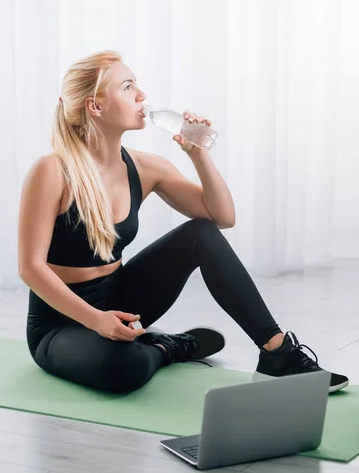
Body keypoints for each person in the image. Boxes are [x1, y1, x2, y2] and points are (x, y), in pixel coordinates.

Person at [18, 50, 349, 395]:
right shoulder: (52, 171)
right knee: (122, 369)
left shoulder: (146, 168)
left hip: (119, 297)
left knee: (200, 234)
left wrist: (198, 155)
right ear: (95, 106)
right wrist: (95, 319)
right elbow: (30, 267)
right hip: (59, 323)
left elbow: (222, 218)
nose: (142, 95)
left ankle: (278, 354)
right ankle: (168, 347)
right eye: (128, 87)